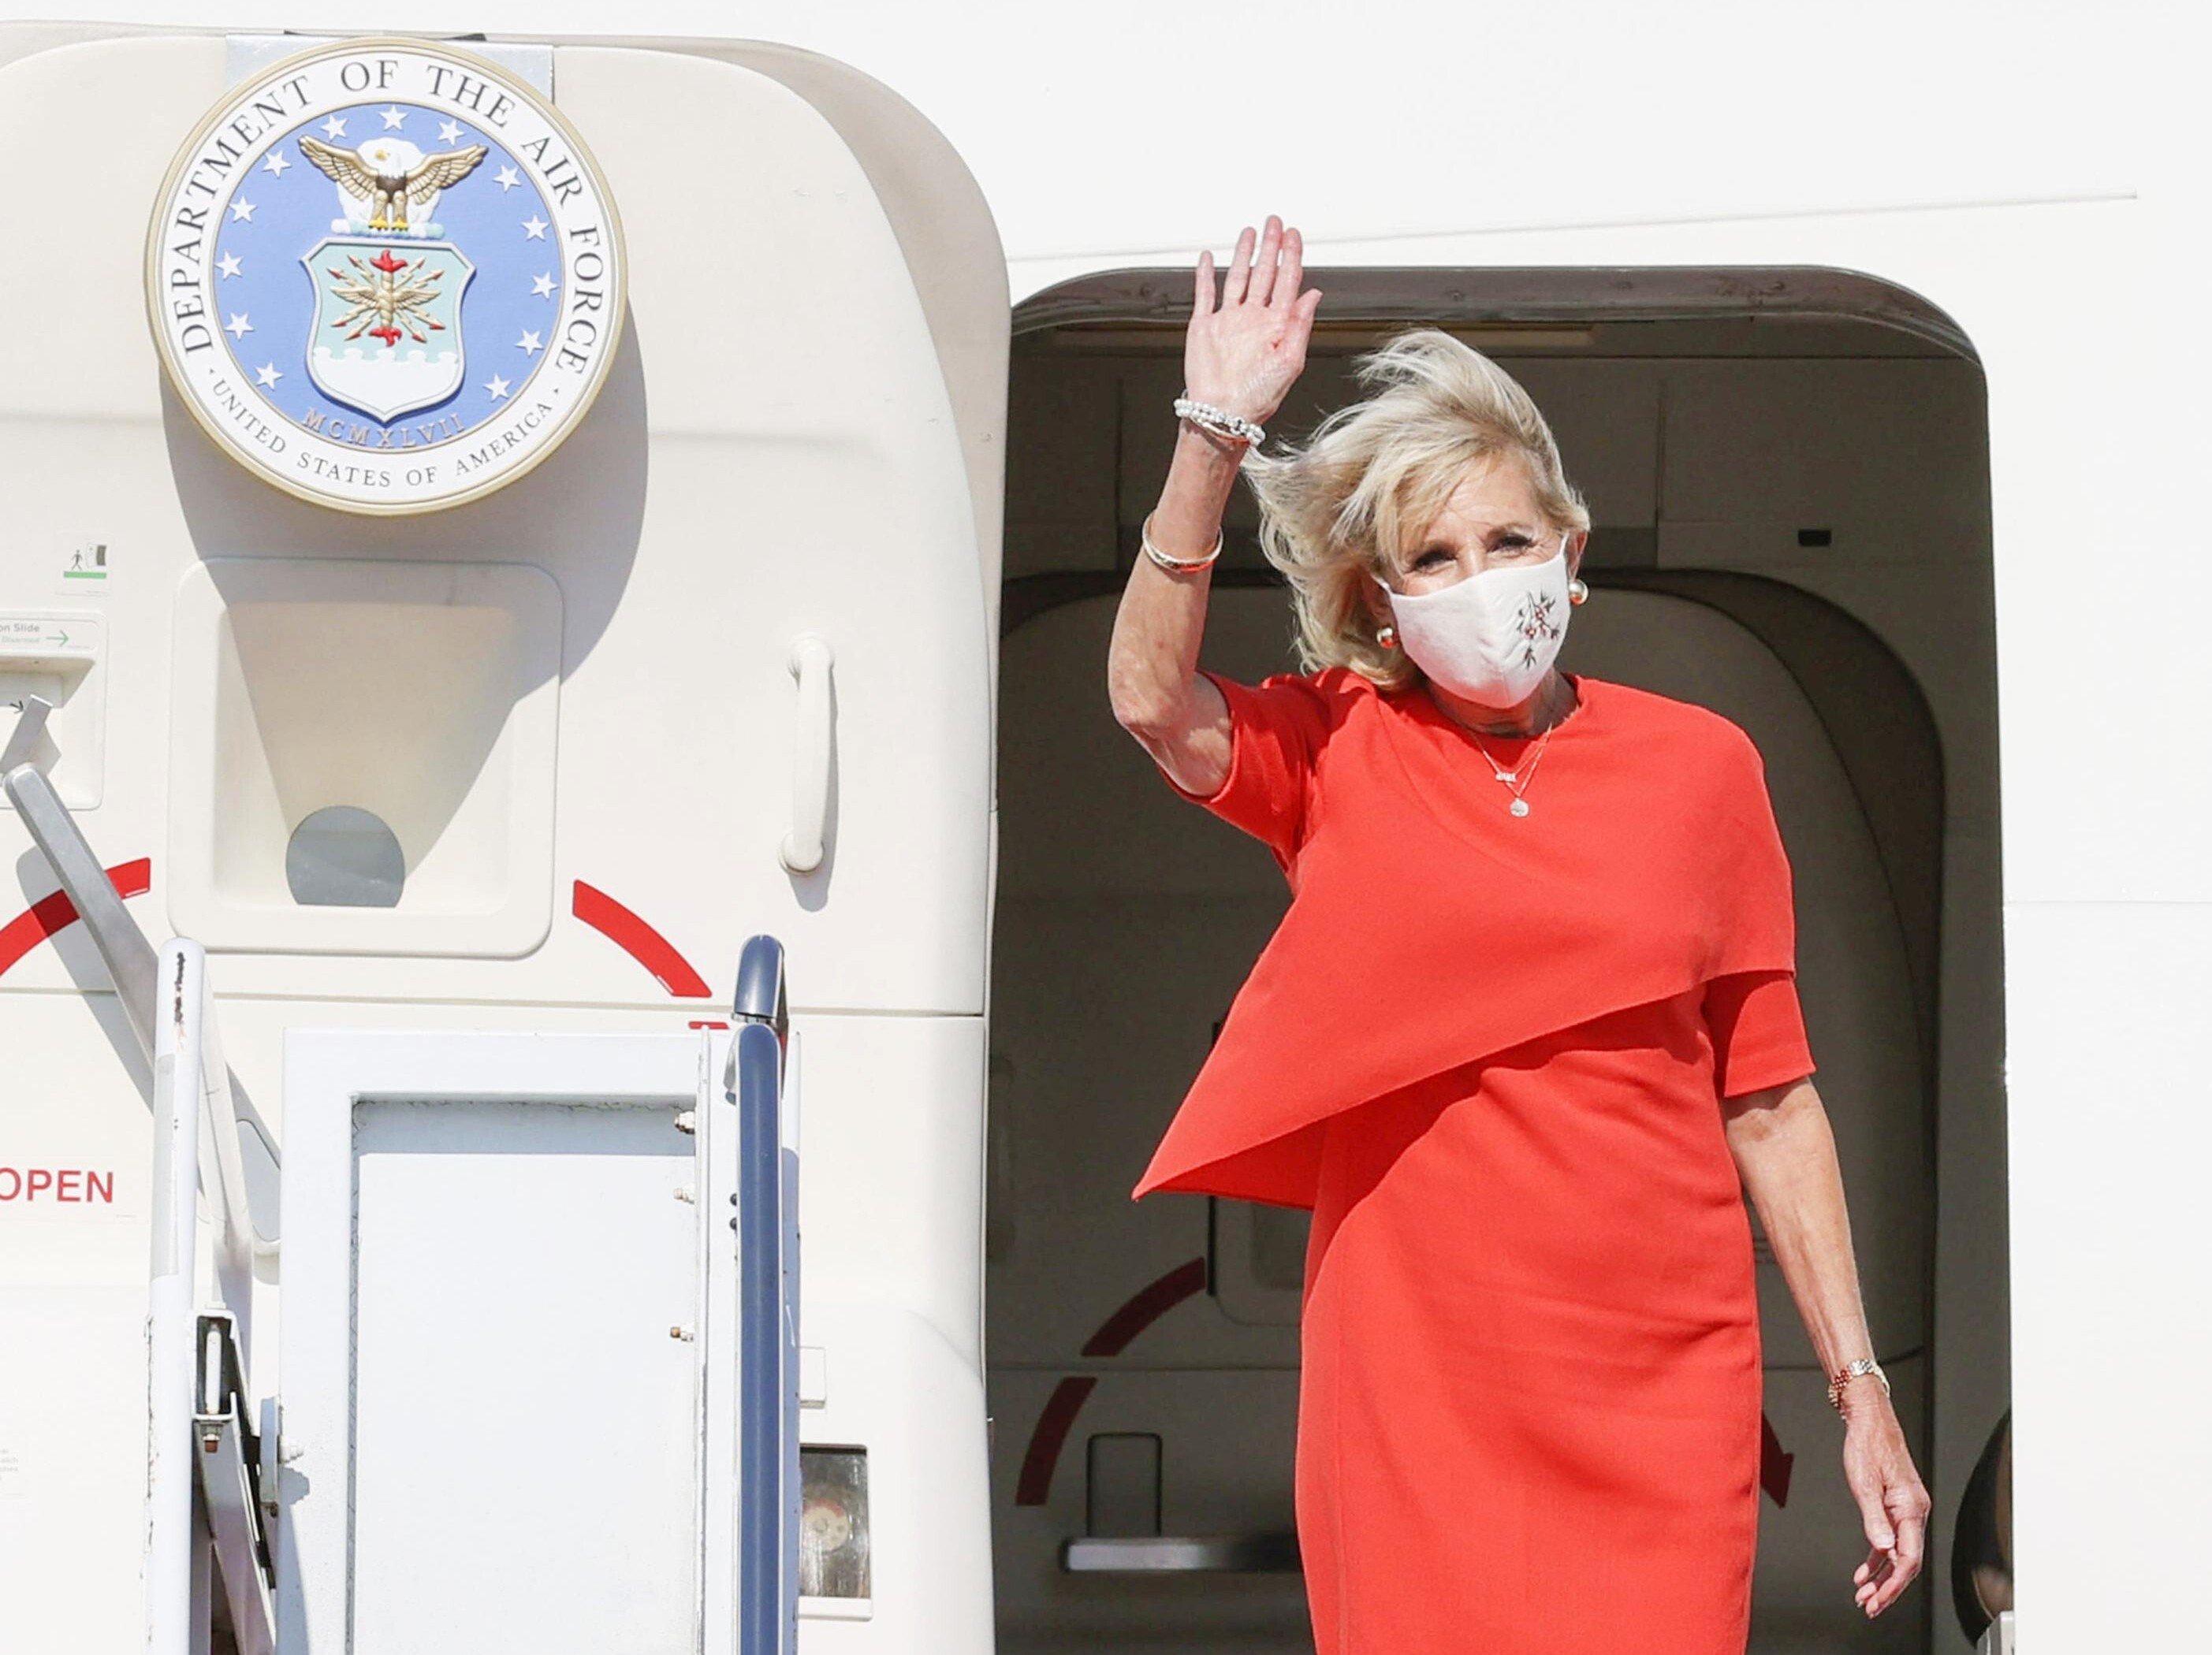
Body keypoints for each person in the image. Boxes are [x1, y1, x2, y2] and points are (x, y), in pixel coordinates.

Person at [1107, 215, 1931, 1653]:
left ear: (1572, 548)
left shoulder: (1703, 765)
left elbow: (1771, 1095)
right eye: (1433, 556)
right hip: (1414, 1364)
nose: (1482, 578)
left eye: (1508, 539)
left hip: (1653, 1362)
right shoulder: (1337, 747)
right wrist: (1213, 435)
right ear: (1382, 600)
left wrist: (1857, 1389)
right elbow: (1148, 704)